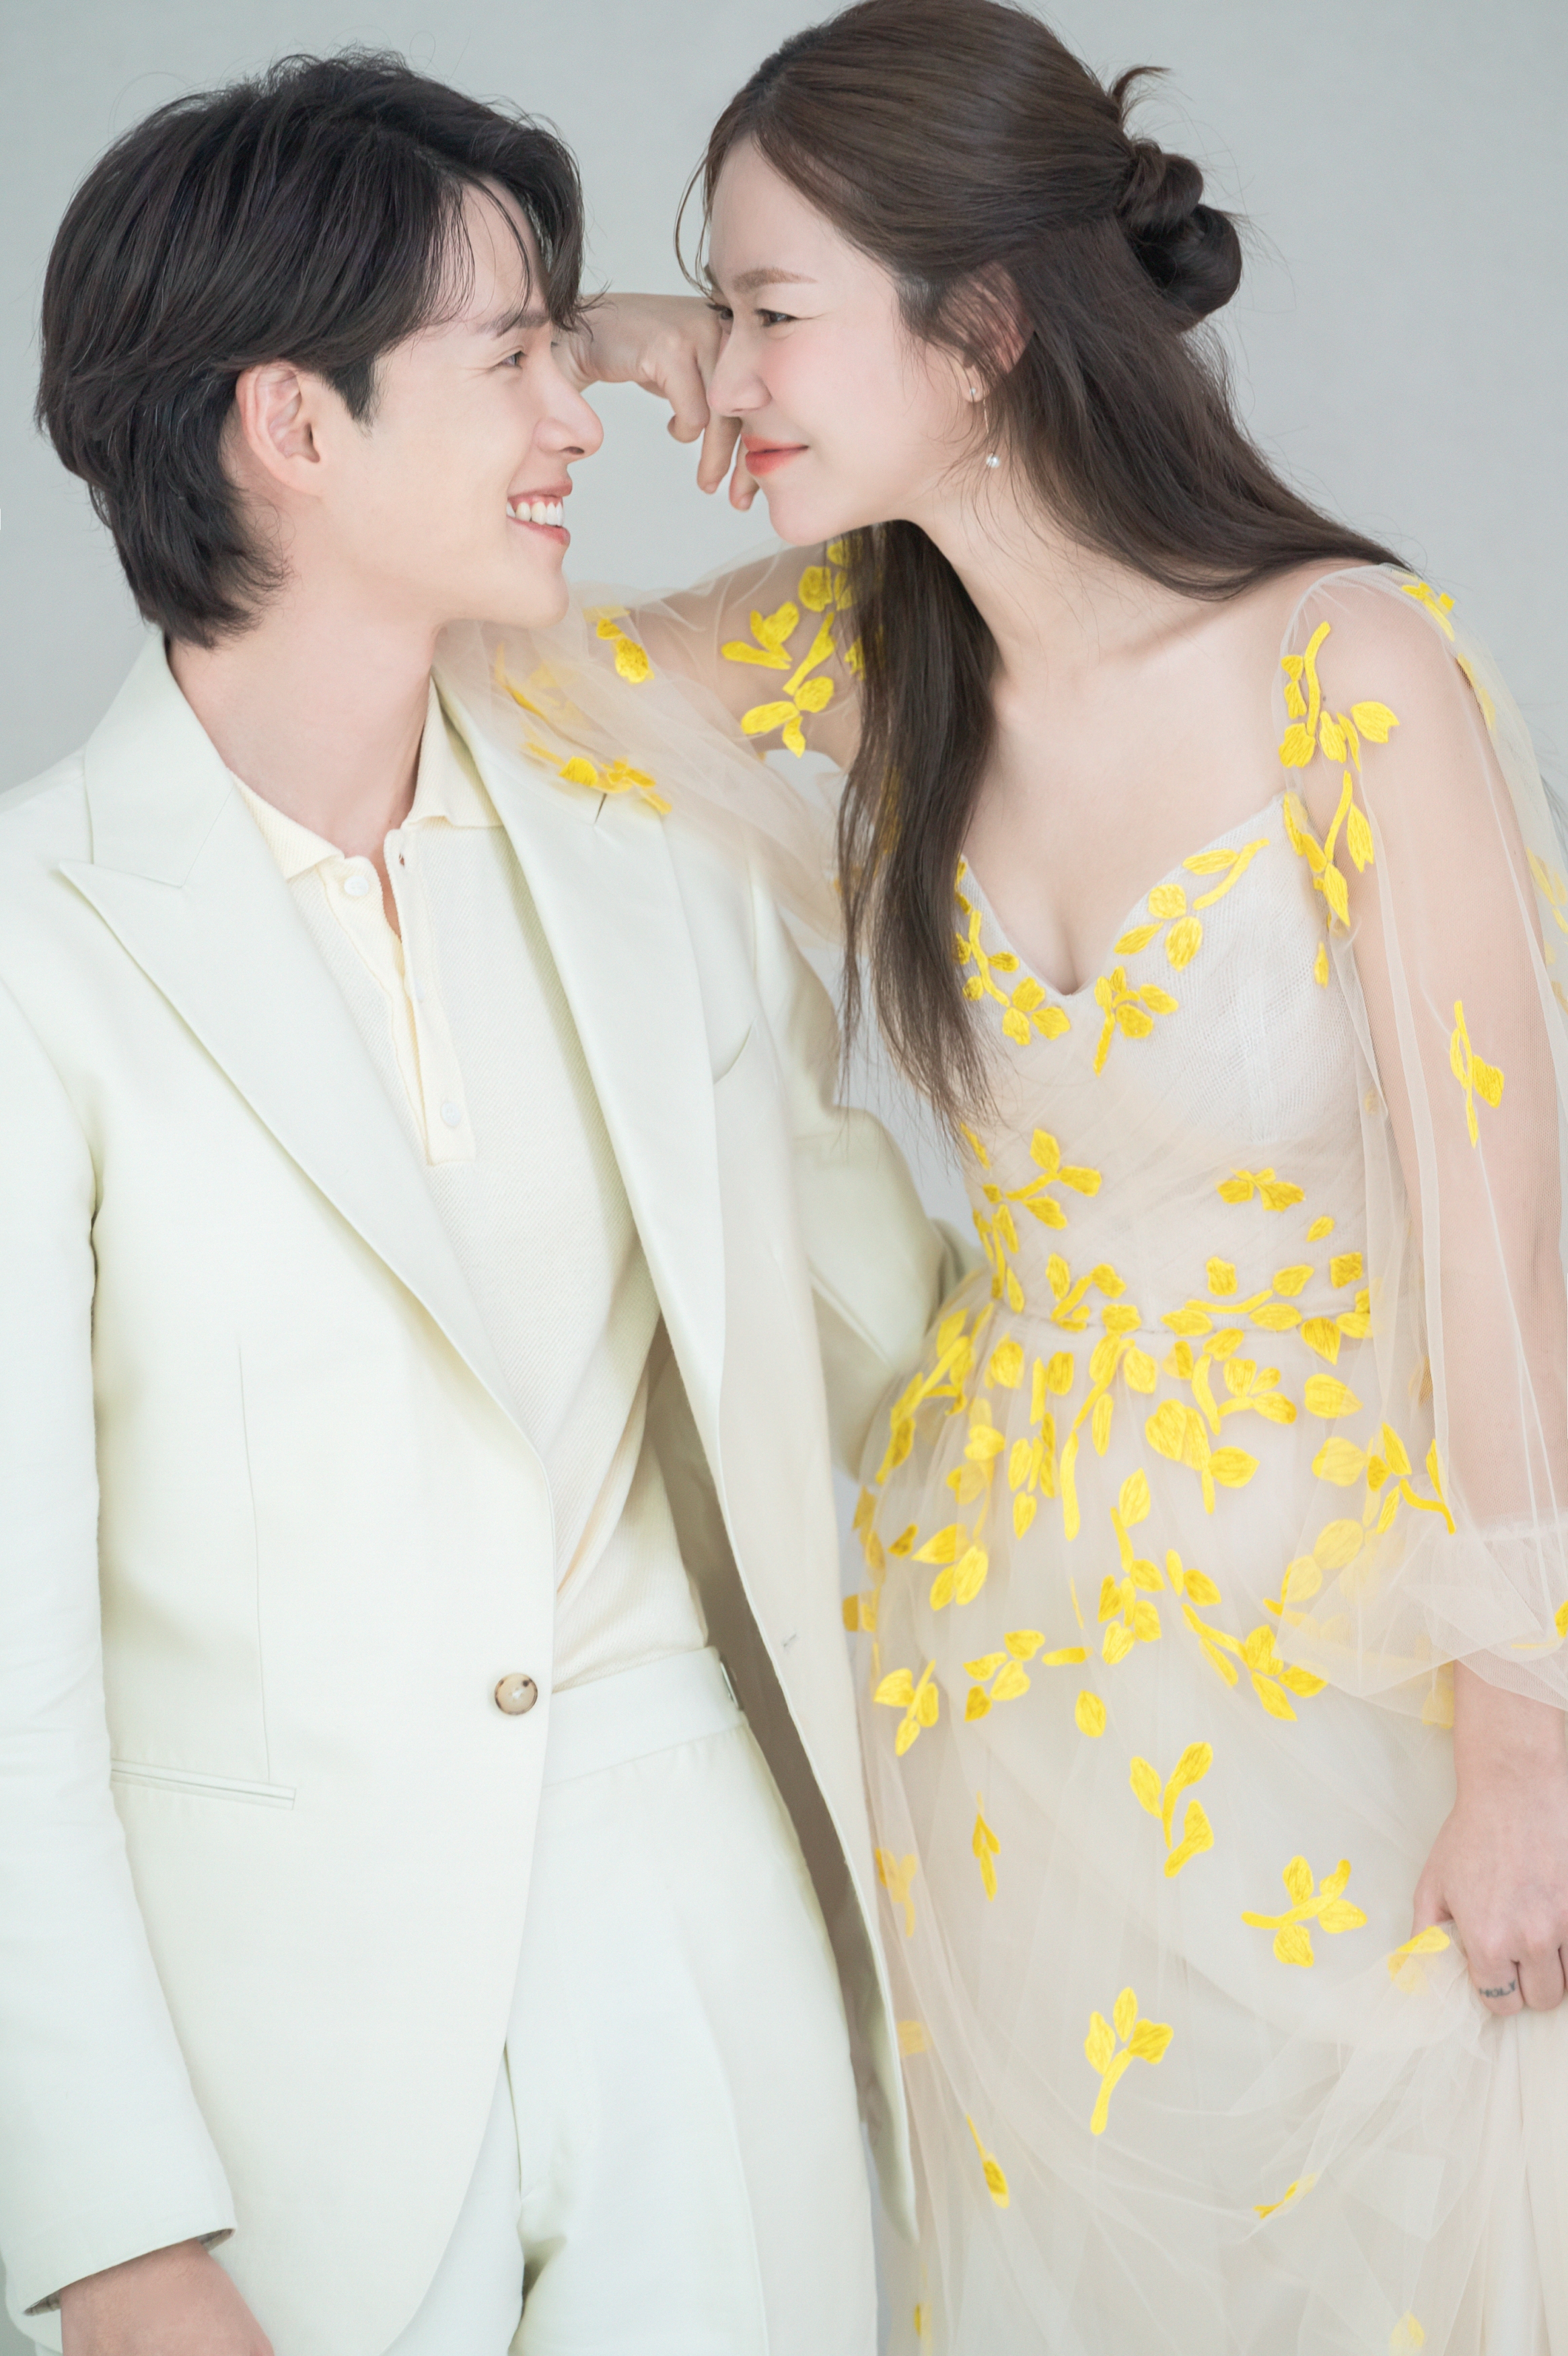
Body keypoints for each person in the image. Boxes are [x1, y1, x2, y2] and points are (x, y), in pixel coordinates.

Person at [588, 0, 1568, 2345]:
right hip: (984, 1641)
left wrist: (1524, 1728)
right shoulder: (861, 655)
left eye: (771, 308)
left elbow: (1505, 1236)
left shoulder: (1340, 664)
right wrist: (626, 344)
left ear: (987, 328)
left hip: (1345, 1632)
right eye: (724, 310)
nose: (739, 375)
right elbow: (482, 689)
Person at [0, 53, 966, 2356]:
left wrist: (652, 332)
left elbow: (893, 1342)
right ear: (291, 425)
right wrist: (110, 2227)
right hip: (271, 2056)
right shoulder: (37, 940)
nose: (578, 415)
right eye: (515, 356)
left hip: (700, 1961)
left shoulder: (655, 854)